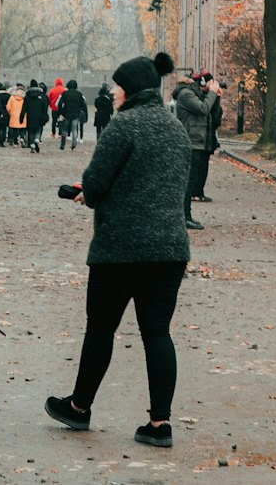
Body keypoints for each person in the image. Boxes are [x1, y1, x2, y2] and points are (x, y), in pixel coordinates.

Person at [45, 50, 189, 449]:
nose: (112, 90)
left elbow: (96, 183)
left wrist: (88, 193)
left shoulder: (123, 126)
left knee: (101, 328)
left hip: (121, 249)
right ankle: (160, 424)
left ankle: (79, 407)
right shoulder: (176, 128)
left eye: (117, 84)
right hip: (170, 248)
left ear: (132, 89)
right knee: (157, 333)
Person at [173, 64, 210, 231]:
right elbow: (203, 108)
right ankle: (184, 217)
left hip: (194, 140)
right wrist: (212, 94)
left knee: (189, 181)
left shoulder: (189, 93)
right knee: (188, 182)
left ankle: (185, 216)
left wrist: (213, 94)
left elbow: (211, 113)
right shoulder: (186, 95)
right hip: (190, 141)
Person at [192, 73, 224, 202]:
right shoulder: (194, 97)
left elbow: (216, 119)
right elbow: (204, 109)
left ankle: (199, 192)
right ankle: (194, 193)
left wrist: (216, 97)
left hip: (207, 139)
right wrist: (212, 94)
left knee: (203, 168)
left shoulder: (210, 97)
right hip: (197, 138)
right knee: (196, 168)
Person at [59, 78, 88, 150]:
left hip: (66, 113)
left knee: (64, 130)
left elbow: (60, 103)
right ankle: (74, 144)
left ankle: (62, 145)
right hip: (76, 114)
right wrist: (79, 110)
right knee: (74, 129)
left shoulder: (65, 93)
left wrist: (61, 112)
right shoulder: (79, 94)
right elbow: (83, 105)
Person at [23, 79, 49, 152]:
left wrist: (21, 117)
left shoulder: (27, 96)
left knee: (31, 131)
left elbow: (24, 107)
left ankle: (32, 145)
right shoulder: (41, 95)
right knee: (38, 129)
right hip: (39, 115)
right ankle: (37, 139)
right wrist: (45, 113)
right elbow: (45, 105)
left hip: (30, 116)